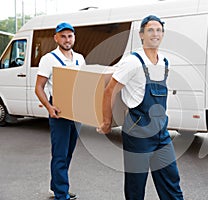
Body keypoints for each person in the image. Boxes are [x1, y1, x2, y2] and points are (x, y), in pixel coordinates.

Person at [98, 15, 184, 200]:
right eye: (150, 30)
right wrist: (106, 122)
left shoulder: (164, 62)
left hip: (161, 132)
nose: (155, 33)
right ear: (141, 35)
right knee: (136, 186)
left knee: (171, 182)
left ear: (163, 34)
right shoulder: (132, 61)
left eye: (159, 30)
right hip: (137, 132)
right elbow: (109, 91)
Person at [35, 22, 85, 200]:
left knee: (68, 152)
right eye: (62, 36)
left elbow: (83, 85)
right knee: (60, 153)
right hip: (59, 110)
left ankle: (57, 186)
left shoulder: (80, 58)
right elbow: (39, 87)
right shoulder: (49, 59)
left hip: (76, 110)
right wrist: (49, 108)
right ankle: (61, 194)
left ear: (74, 37)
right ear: (56, 38)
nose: (67, 39)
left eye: (70, 36)